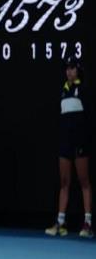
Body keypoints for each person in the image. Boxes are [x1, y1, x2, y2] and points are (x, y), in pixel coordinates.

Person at [46, 57, 93, 238]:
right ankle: (60, 223)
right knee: (64, 183)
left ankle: (87, 224)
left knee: (84, 182)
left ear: (78, 70)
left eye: (72, 68)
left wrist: (85, 139)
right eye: (67, 68)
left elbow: (88, 118)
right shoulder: (63, 91)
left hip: (80, 142)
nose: (69, 71)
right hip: (65, 143)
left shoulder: (84, 90)